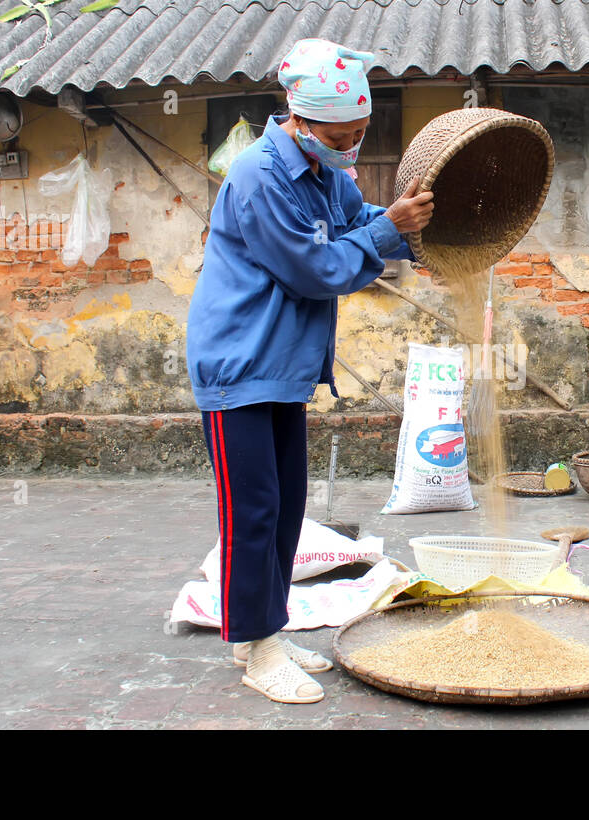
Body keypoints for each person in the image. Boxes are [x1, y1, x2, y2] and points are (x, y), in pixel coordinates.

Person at [185, 38, 434, 704]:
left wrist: (415, 232)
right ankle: (255, 648)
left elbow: (363, 224)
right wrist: (388, 234)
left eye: (359, 135)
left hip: (282, 367)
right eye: (341, 135)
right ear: (300, 119)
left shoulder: (325, 173)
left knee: (287, 508)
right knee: (253, 512)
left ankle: (267, 629)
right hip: (239, 364)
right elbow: (315, 269)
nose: (350, 146)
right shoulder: (259, 175)